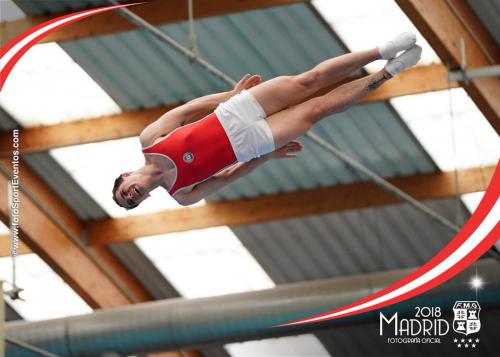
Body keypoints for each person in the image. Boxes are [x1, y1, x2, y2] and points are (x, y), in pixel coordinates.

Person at [113, 33, 421, 208]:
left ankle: (380, 51)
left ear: (127, 175)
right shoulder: (181, 194)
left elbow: (187, 109)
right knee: (317, 109)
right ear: (142, 201)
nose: (130, 196)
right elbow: (228, 178)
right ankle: (388, 72)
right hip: (252, 144)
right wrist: (267, 156)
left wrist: (229, 95)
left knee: (308, 81)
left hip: (233, 113)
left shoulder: (150, 141)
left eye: (124, 191)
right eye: (131, 203)